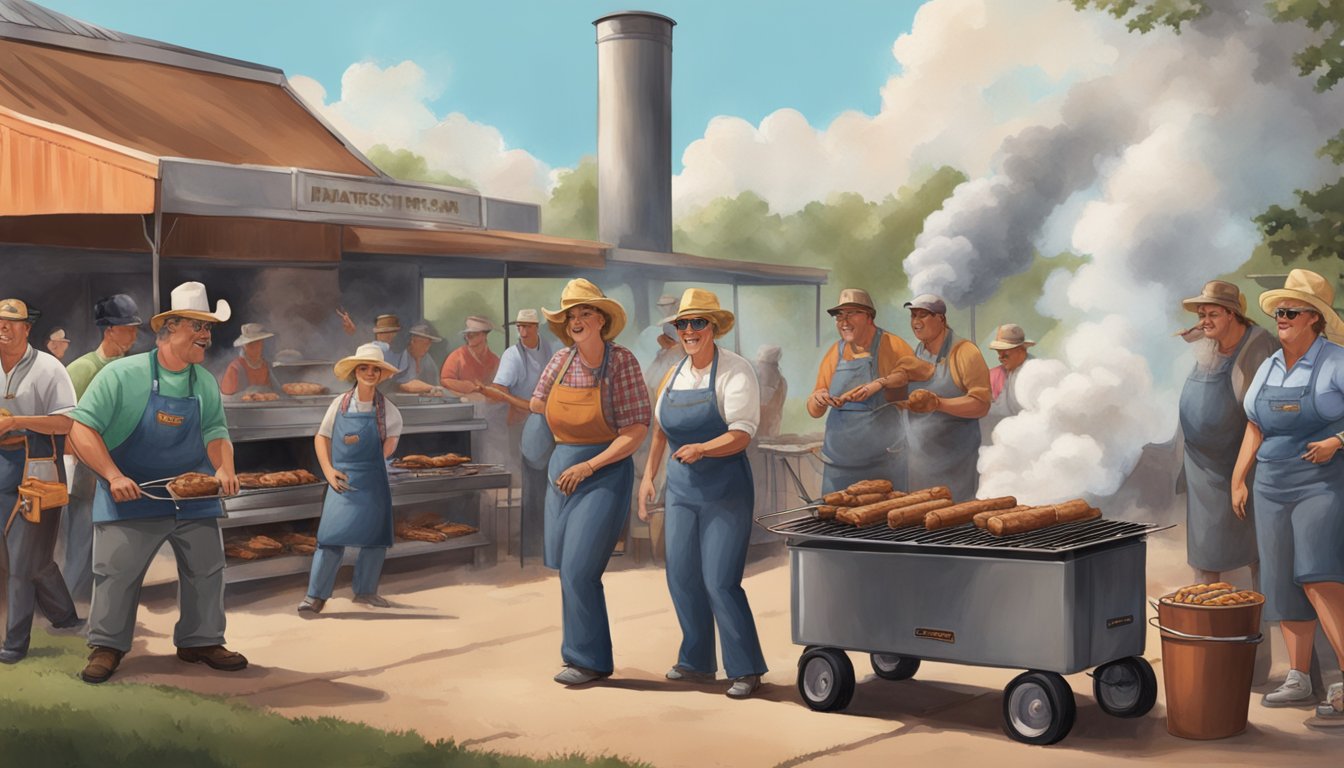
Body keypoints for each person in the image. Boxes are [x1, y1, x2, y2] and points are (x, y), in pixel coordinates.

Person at [66, 281, 247, 684]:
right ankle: (107, 646)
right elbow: (81, 430)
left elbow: (216, 432)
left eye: (208, 328)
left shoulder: (204, 383)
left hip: (193, 494)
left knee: (206, 569)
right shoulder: (122, 375)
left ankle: (201, 640)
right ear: (170, 328)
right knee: (117, 572)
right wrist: (112, 476)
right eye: (198, 327)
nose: (206, 336)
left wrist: (224, 468)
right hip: (132, 493)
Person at [638, 288, 767, 698]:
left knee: (720, 581)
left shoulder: (736, 370)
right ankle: (696, 662)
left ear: (713, 327)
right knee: (681, 575)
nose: (689, 331)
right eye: (682, 324)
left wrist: (703, 449)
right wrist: (648, 477)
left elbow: (742, 434)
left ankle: (745, 668)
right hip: (680, 491)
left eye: (697, 323)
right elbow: (660, 429)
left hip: (725, 490)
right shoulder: (673, 374)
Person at [1231, 269, 1344, 720]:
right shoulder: (1270, 365)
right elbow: (1255, 424)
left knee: (1318, 576)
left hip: (1321, 483)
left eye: (1290, 311)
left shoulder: (1336, 360)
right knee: (1280, 582)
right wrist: (1239, 477)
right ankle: (1298, 678)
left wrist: (1338, 441)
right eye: (1279, 311)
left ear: (1314, 318)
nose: (1281, 317)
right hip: (1271, 485)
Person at [529, 279, 650, 686]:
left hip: (605, 471)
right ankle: (576, 654)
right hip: (561, 471)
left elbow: (635, 430)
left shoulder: (622, 363)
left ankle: (590, 660)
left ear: (601, 319)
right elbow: (537, 402)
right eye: (571, 316)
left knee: (581, 568)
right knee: (566, 568)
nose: (577, 321)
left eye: (585, 313)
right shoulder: (560, 361)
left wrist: (590, 466)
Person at [1177, 281, 1278, 680]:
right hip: (1203, 470)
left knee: (1258, 563)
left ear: (1235, 315)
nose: (1203, 321)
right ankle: (1208, 661)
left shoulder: (1259, 347)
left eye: (1212, 313)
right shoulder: (1208, 343)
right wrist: (1200, 334)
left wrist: (1241, 476)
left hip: (1244, 466)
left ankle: (1255, 665)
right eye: (1201, 315)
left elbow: (1260, 417)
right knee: (1203, 565)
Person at [0, 298, 82, 664]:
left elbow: (66, 424)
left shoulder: (49, 368)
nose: (3, 328)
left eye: (11, 322)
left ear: (27, 328)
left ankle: (14, 645)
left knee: (21, 561)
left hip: (39, 465)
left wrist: (16, 422)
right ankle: (64, 615)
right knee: (27, 558)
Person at [298, 343, 403, 614]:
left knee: (374, 539)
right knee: (330, 538)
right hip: (341, 480)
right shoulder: (339, 404)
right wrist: (328, 471)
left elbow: (391, 442)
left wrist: (372, 461)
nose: (369, 373)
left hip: (373, 481)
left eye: (374, 369)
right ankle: (315, 596)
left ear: (381, 374)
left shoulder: (387, 410)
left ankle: (366, 591)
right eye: (363, 368)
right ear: (354, 372)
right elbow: (321, 437)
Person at [807, 288, 931, 494]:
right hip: (838, 465)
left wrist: (880, 383)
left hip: (882, 463)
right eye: (839, 316)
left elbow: (923, 371)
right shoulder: (835, 353)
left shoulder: (891, 345)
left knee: (881, 520)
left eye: (851, 314)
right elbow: (814, 410)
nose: (844, 322)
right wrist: (818, 399)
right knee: (834, 520)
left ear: (869, 317)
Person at [62, 293, 143, 604]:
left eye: (136, 328)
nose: (134, 335)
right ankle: (70, 605)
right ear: (109, 329)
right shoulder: (81, 369)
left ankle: (111, 602)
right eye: (128, 328)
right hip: (88, 471)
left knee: (120, 542)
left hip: (126, 467)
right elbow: (65, 425)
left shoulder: (133, 368)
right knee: (82, 539)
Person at [902, 294, 991, 501]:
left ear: (941, 319)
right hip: (919, 461)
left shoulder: (965, 352)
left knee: (953, 521)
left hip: (955, 463)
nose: (916, 321)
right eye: (913, 315)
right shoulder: (918, 352)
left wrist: (938, 403)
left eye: (923, 315)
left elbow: (981, 405)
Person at [484, 309, 555, 561]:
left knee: (551, 483)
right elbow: (499, 389)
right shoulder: (512, 355)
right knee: (531, 484)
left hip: (551, 423)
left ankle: (550, 541)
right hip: (522, 424)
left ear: (537, 328)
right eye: (519, 327)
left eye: (528, 327)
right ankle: (531, 545)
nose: (523, 332)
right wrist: (524, 405)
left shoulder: (551, 350)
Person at [981, 324, 1035, 443]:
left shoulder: (1033, 372)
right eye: (998, 352)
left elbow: (1014, 411)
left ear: (1021, 350)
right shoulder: (1011, 370)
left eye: (1005, 352)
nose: (1000, 357)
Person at [440, 316, 501, 396]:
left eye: (474, 334)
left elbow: (500, 386)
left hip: (488, 404)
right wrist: (467, 387)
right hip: (463, 403)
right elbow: (445, 380)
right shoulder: (457, 356)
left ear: (484, 335)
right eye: (467, 334)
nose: (469, 336)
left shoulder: (495, 360)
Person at [218, 322, 275, 397]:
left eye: (258, 342)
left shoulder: (265, 366)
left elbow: (272, 392)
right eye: (251, 344)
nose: (256, 347)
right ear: (244, 347)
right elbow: (227, 398)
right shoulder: (235, 368)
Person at [395, 322, 448, 398]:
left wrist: (436, 391)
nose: (427, 348)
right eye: (423, 343)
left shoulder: (426, 358)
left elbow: (435, 383)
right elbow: (405, 384)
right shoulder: (400, 356)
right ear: (413, 341)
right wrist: (431, 388)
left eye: (429, 344)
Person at [754, 345, 787, 441]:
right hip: (770, 430)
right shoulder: (780, 379)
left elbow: (763, 406)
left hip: (764, 432)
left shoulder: (767, 375)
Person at [372, 314, 410, 379]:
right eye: (380, 333)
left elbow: (403, 375)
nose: (388, 335)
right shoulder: (371, 348)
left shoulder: (403, 352)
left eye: (391, 332)